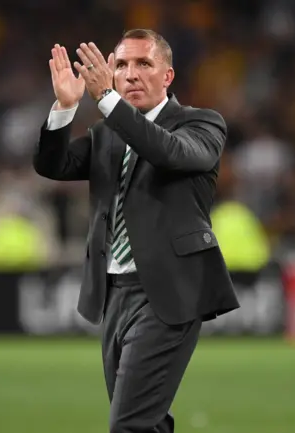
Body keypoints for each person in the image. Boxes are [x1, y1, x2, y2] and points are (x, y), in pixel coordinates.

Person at [33, 29, 240, 433]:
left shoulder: (201, 124)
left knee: (128, 425)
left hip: (167, 296)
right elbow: (52, 165)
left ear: (168, 76)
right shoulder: (107, 134)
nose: (130, 74)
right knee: (147, 422)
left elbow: (167, 152)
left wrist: (106, 101)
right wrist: (65, 106)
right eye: (122, 64)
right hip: (113, 293)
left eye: (144, 64)